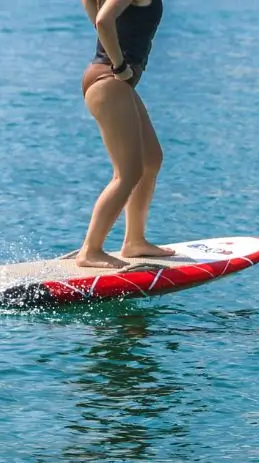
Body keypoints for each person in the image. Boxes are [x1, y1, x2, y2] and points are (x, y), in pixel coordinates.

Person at [73, 0, 174, 269]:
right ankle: (90, 250)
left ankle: (135, 241)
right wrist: (118, 64)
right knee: (127, 174)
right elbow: (105, 21)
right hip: (110, 82)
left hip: (115, 83)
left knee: (151, 159)